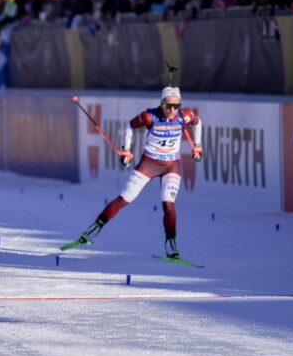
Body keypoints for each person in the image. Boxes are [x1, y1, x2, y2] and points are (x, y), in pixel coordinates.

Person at [74, 86, 202, 258]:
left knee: (168, 204)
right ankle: (92, 231)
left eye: (176, 106)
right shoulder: (149, 117)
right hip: (149, 163)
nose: (172, 110)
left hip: (171, 165)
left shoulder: (184, 115)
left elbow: (197, 122)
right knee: (123, 200)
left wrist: (198, 145)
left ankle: (171, 245)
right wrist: (126, 149)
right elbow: (130, 126)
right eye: (169, 106)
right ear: (162, 103)